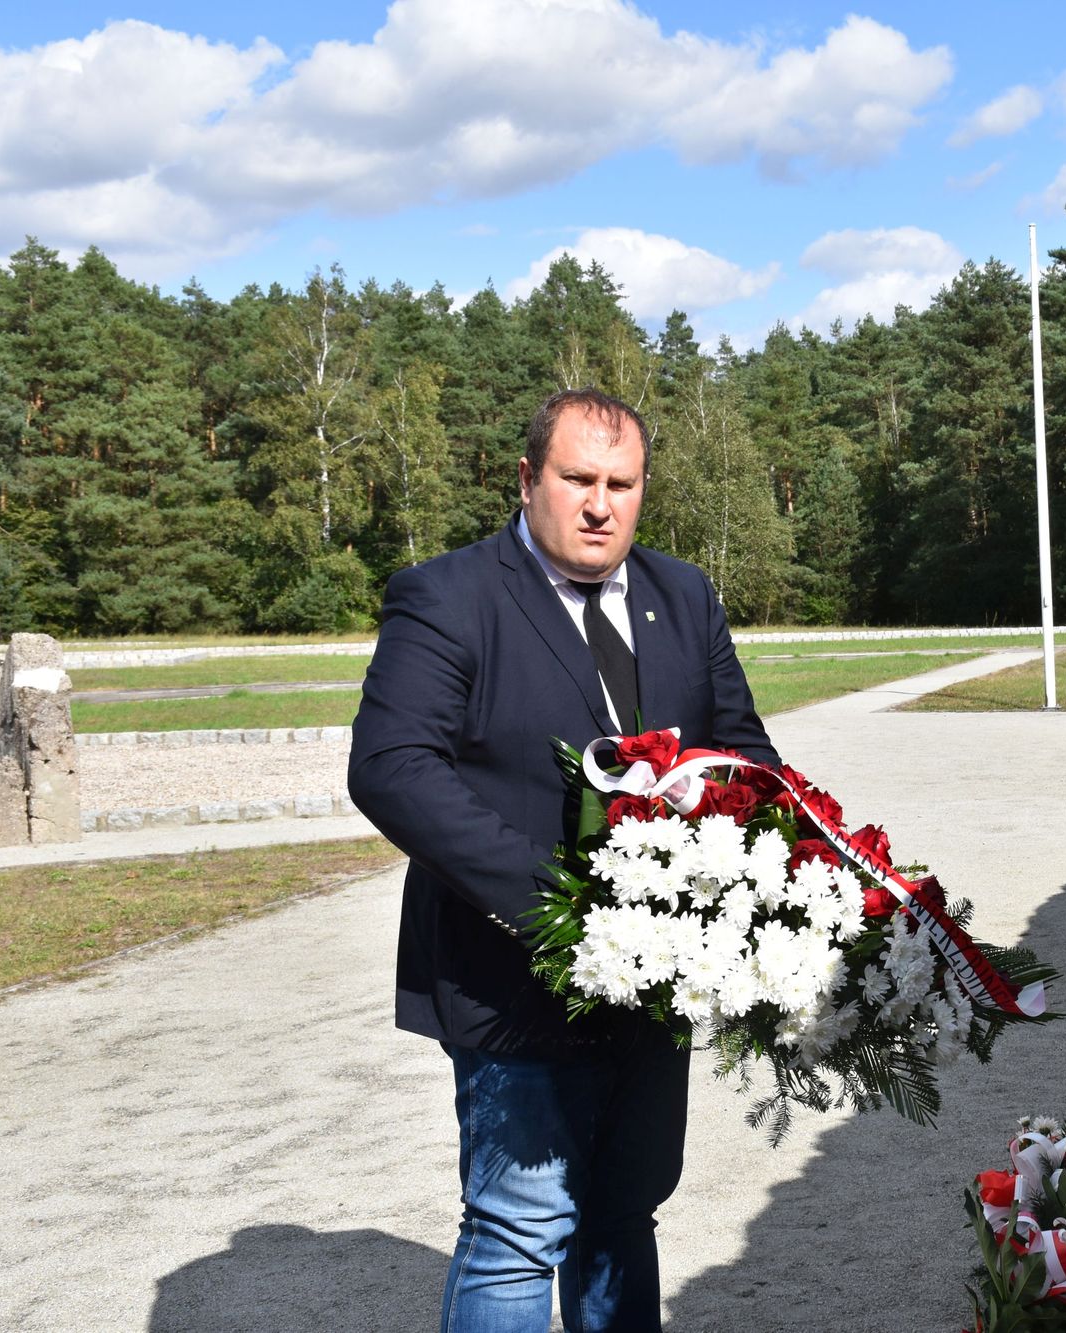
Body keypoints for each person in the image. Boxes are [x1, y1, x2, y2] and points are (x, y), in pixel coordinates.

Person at [348, 387, 780, 1333]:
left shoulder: (685, 596)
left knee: (624, 1210)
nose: (599, 505)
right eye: (577, 478)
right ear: (527, 478)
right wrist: (561, 908)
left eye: (621, 484)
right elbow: (391, 768)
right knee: (519, 1229)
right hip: (514, 974)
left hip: (661, 979)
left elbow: (747, 756)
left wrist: (755, 875)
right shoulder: (449, 595)